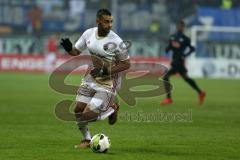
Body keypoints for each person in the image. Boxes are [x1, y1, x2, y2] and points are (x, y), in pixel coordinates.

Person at [60, 9, 130, 148]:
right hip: (91, 77)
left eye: (111, 22)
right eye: (106, 21)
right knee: (78, 110)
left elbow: (126, 64)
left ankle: (112, 108)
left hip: (109, 81)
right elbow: (76, 51)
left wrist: (105, 70)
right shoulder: (88, 34)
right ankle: (86, 140)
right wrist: (69, 49)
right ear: (98, 21)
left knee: (87, 116)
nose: (110, 25)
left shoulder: (116, 41)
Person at [160, 20, 205, 105]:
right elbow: (170, 47)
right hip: (175, 61)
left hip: (179, 61)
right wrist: (167, 49)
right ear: (177, 27)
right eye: (179, 26)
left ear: (183, 28)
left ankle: (169, 99)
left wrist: (185, 55)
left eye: (182, 26)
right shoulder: (172, 37)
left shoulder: (185, 39)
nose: (180, 27)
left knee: (165, 77)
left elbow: (192, 49)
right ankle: (200, 92)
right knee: (186, 78)